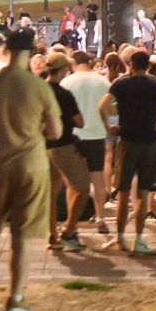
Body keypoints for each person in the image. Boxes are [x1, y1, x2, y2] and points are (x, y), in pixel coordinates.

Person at [0, 29, 61, 311]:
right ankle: (15, 299)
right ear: (30, 54)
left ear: (5, 51)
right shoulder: (39, 86)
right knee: (22, 235)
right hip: (31, 164)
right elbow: (55, 132)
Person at [100, 50, 156, 255]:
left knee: (123, 192)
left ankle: (120, 237)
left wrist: (109, 128)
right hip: (149, 142)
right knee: (143, 193)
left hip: (127, 141)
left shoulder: (121, 84)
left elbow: (102, 107)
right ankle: (138, 239)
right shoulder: (154, 86)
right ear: (147, 67)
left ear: (131, 65)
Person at [43, 55, 91, 251]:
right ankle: (69, 232)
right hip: (63, 146)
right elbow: (79, 122)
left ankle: (52, 235)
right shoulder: (63, 94)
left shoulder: (39, 91)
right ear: (63, 69)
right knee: (82, 188)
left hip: (44, 147)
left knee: (52, 193)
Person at [62, 51, 113, 235]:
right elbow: (111, 108)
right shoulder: (103, 81)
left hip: (74, 135)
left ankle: (72, 221)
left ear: (74, 63)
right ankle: (100, 218)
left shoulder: (67, 82)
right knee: (97, 177)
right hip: (97, 134)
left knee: (73, 183)